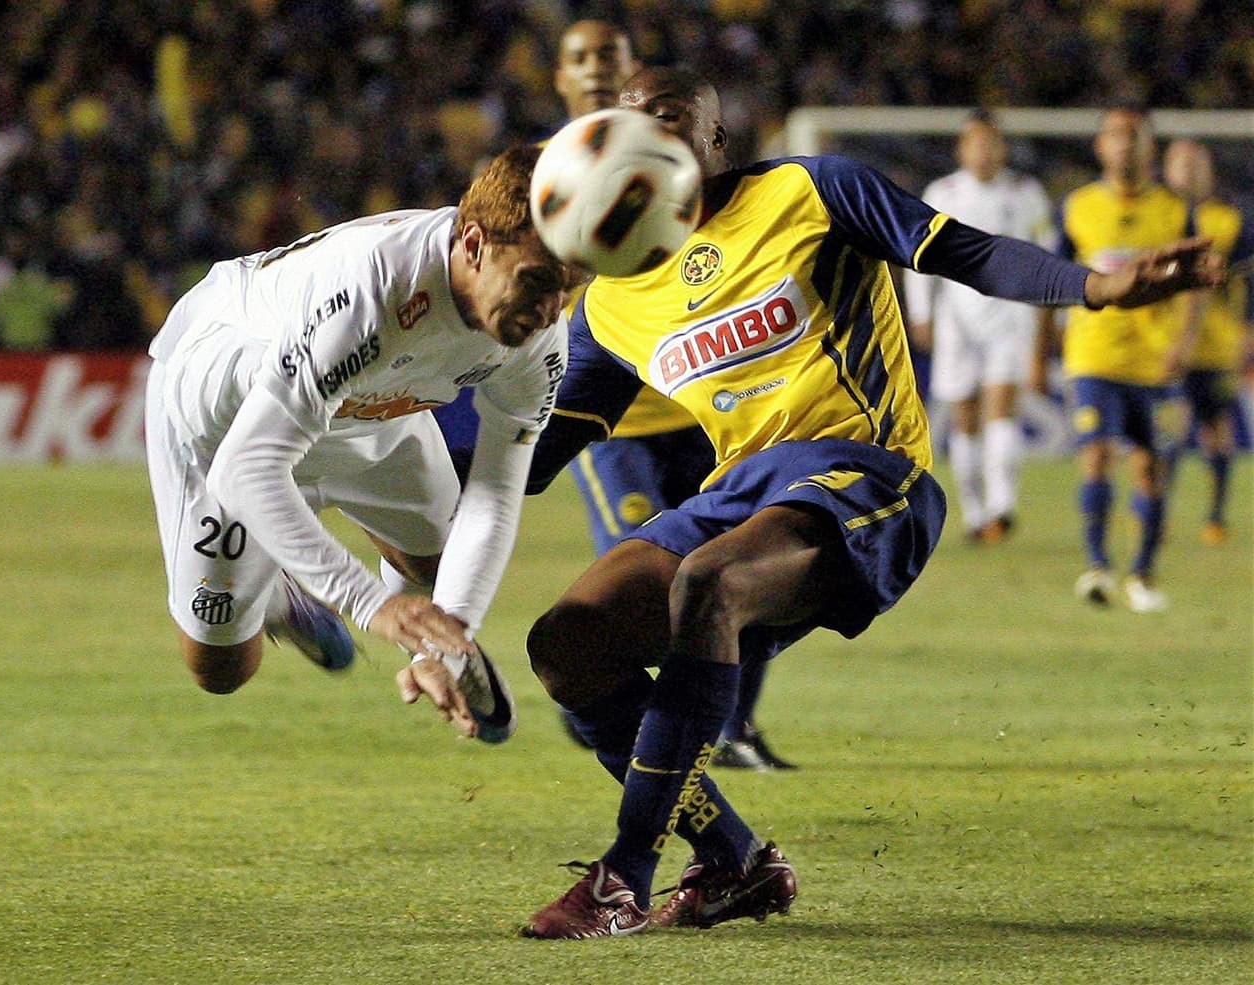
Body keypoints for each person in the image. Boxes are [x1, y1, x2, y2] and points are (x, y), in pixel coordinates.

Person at [516, 69, 1223, 940]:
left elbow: (972, 252)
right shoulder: (614, 298)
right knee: (565, 642)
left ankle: (625, 874)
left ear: (715, 139)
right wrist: (393, 461)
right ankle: (734, 858)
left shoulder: (810, 190)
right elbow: (533, 452)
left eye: (669, 117)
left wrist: (1096, 289)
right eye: (628, 122)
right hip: (736, 488)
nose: (647, 134)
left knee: (709, 583)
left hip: (867, 473)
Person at [444, 19, 794, 768]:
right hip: (611, 418)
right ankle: (631, 713)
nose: (598, 69)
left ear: (637, 72)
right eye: (581, 59)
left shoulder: (692, 167)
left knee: (739, 562)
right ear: (561, 82)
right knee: (638, 561)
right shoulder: (537, 174)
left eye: (612, 56)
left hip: (708, 399)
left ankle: (729, 727)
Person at [144, 145, 572, 740]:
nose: (550, 311)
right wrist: (372, 604)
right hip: (228, 427)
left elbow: (496, 493)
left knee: (436, 563)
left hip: (370, 409)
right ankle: (282, 598)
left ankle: (299, 570)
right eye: (537, 282)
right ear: (473, 245)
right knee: (219, 670)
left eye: (570, 287)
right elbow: (246, 467)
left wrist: (445, 643)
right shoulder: (373, 293)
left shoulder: (538, 341)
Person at [1036, 107, 1207, 614]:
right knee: (1095, 456)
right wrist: (1040, 345)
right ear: (1100, 147)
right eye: (1116, 136)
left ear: (1149, 148)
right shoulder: (1077, 207)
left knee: (1150, 469)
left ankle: (1142, 574)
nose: (1125, 145)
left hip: (1155, 362)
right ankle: (1096, 566)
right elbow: (1049, 278)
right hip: (1094, 355)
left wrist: (1184, 342)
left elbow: (1197, 281)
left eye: (1134, 137)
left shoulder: (1175, 209)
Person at [904, 111, 1056, 543]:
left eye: (992, 144)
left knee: (1001, 409)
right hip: (956, 317)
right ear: (962, 149)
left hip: (1011, 314)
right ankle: (974, 513)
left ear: (1003, 149)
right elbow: (918, 259)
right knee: (964, 415)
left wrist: (1053, 317)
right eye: (976, 144)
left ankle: (1001, 508)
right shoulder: (942, 192)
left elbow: (1048, 259)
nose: (985, 152)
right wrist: (922, 312)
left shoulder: (1026, 194)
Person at [1160, 138, 1254, 546]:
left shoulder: (1230, 221)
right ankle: (1155, 515)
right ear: (1166, 169)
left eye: (1196, 163)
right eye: (1180, 163)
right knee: (1167, 432)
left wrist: (1248, 331)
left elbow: (1249, 282)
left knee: (1217, 428)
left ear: (1210, 171)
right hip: (1161, 348)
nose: (1188, 172)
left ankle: (1215, 515)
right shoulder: (1156, 216)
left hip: (1216, 345)